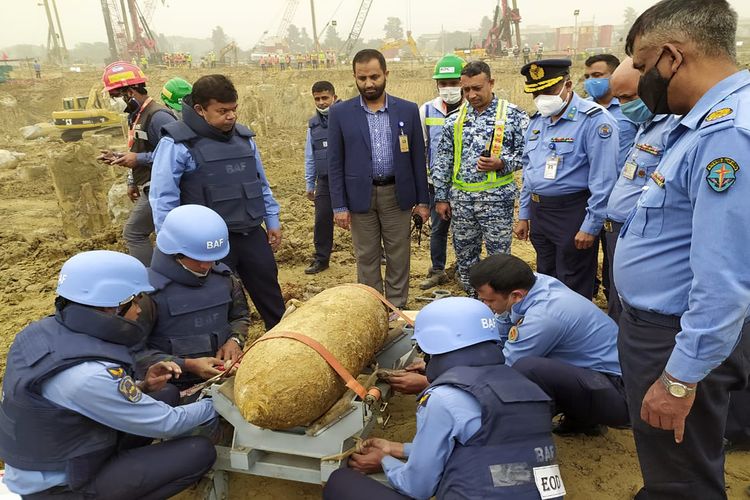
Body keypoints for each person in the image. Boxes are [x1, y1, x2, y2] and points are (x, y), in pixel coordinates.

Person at [614, 0, 750, 497]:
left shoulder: (728, 135)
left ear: (672, 57)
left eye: (645, 66)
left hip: (675, 338)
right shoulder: (703, 122)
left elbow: (725, 278)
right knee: (674, 461)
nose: (642, 79)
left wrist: (679, 379)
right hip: (664, 331)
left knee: (681, 473)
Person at [0, 250, 217, 499]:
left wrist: (142, 386)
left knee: (166, 392)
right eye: (133, 302)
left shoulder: (42, 332)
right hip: (61, 486)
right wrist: (215, 404)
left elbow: (75, 399)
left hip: (63, 449)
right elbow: (169, 423)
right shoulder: (85, 376)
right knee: (199, 451)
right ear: (107, 307)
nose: (138, 311)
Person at [323, 297, 563, 500]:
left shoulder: (444, 398)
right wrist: (396, 449)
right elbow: (488, 447)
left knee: (340, 482)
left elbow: (418, 487)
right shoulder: (528, 387)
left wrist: (385, 461)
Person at [149, 74, 286, 330]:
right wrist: (173, 245)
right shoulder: (177, 144)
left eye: (233, 109)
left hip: (249, 232)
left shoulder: (245, 140)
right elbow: (163, 198)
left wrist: (272, 219)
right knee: (218, 300)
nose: (231, 116)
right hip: (206, 244)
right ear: (200, 110)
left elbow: (260, 184)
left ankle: (283, 339)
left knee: (270, 291)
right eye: (222, 111)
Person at [470, 254, 628, 435]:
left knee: (528, 368)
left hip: (620, 394)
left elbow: (508, 366)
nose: (485, 305)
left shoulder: (544, 316)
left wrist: (462, 381)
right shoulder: (533, 285)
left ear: (516, 295)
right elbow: (500, 329)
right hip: (597, 377)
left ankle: (530, 435)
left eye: (489, 300)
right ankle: (581, 419)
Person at [327, 49, 429, 310]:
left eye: (374, 76)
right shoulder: (340, 113)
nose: (368, 83)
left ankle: (395, 308)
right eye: (362, 78)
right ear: (354, 77)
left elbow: (418, 158)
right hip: (360, 196)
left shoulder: (406, 110)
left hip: (397, 194)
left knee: (398, 255)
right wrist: (339, 206)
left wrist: (422, 201)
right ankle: (372, 308)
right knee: (366, 256)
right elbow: (335, 163)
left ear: (386, 74)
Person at [513, 59, 618, 299]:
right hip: (541, 212)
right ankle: (551, 327)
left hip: (572, 212)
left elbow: (604, 180)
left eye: (548, 90)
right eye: (535, 92)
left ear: (568, 84)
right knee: (546, 277)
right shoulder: (537, 121)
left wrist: (591, 227)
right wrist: (524, 215)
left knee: (573, 281)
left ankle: (573, 333)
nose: (541, 97)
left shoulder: (594, 120)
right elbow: (530, 171)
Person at [433, 60, 528, 294]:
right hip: (462, 203)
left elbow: (529, 155)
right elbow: (443, 160)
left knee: (499, 261)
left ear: (491, 83)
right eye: (466, 90)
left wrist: (503, 163)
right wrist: (441, 197)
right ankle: (474, 302)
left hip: (496, 202)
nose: (471, 95)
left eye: (477, 88)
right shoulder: (454, 120)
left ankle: (501, 309)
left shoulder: (513, 116)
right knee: (466, 259)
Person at [135, 204, 250, 391]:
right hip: (170, 388)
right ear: (175, 252)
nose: (206, 265)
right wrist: (187, 364)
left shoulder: (225, 279)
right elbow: (133, 351)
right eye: (197, 258)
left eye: (212, 258)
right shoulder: (146, 295)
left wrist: (235, 341)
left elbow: (240, 316)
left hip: (223, 378)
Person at [604, 57, 677, 323]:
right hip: (619, 229)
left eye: (628, 97)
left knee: (631, 307)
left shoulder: (672, 129)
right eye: (619, 99)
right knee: (617, 297)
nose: (624, 106)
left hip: (641, 234)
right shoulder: (648, 126)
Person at [97, 61, 177, 267]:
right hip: (149, 184)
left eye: (115, 96)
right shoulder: (135, 116)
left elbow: (176, 155)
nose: (113, 102)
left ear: (130, 92)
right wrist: (131, 177)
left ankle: (150, 282)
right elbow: (138, 148)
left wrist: (138, 159)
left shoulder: (159, 117)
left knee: (133, 232)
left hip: (162, 187)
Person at [583, 54, 638, 303]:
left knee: (616, 256)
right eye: (587, 77)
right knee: (584, 252)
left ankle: (613, 298)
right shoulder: (583, 111)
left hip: (622, 198)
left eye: (597, 75)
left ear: (613, 76)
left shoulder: (630, 107)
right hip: (588, 197)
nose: (591, 81)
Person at [417, 54, 466, 290]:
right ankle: (437, 269)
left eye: (454, 82)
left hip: (466, 185)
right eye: (444, 83)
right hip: (436, 185)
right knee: (438, 229)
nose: (449, 88)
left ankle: (463, 268)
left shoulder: (473, 109)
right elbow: (421, 148)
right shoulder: (426, 111)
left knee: (465, 230)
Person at [304, 81, 339, 275]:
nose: (321, 102)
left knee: (363, 218)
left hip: (348, 178)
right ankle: (321, 259)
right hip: (325, 181)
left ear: (334, 97)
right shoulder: (313, 125)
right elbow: (310, 155)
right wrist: (310, 183)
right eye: (317, 99)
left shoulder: (346, 118)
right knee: (322, 219)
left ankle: (378, 253)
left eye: (325, 98)